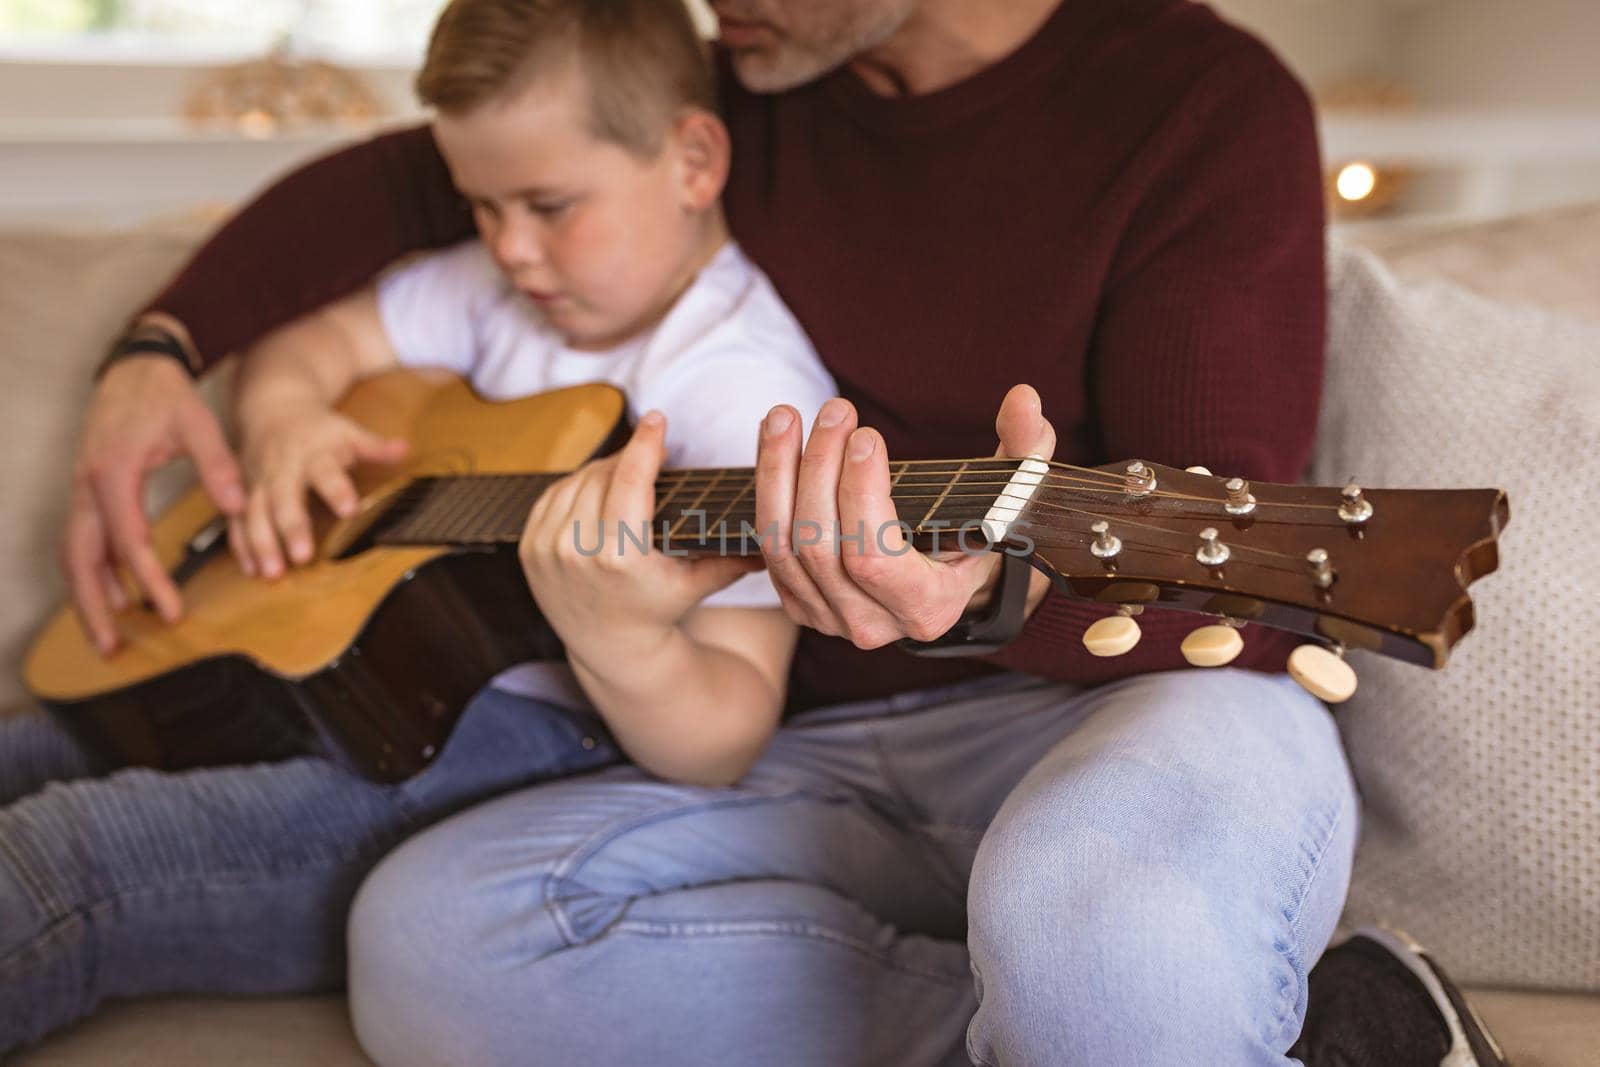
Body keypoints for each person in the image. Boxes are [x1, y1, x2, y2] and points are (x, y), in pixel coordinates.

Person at [54, 1, 1508, 1065]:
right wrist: (163, 346)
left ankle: (1125, 999)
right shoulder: (750, 70)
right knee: (432, 943)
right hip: (809, 738)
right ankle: (1274, 1031)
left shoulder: (1200, 101)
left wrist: (990, 589)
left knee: (1095, 925)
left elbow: (1217, 538)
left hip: (1130, 697)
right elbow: (394, 185)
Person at [1, 0, 834, 1054]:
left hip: (503, 740)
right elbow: (305, 346)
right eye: (481, 207)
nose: (512, 248)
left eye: (547, 204)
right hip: (302, 678)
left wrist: (616, 632)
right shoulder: (497, 292)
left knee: (65, 854)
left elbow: (727, 732)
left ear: (692, 160)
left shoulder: (744, 396)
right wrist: (286, 420)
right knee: (35, 741)